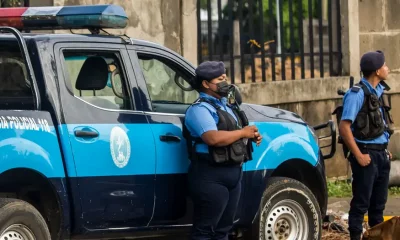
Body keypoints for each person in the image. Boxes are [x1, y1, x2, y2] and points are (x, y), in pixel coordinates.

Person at [183, 61, 262, 240]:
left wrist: (250, 135)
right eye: (220, 79)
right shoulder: (200, 109)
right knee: (205, 231)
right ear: (205, 84)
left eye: (225, 77)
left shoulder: (227, 105)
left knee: (223, 231)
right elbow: (213, 138)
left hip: (233, 174)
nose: (225, 82)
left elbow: (233, 132)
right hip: (210, 176)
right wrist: (243, 132)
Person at [339, 50, 394, 240]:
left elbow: (378, 126)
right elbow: (344, 127)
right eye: (385, 65)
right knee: (361, 204)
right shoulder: (356, 94)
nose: (387, 68)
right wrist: (359, 155)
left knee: (378, 206)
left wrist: (385, 151)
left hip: (380, 155)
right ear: (377, 71)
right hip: (365, 155)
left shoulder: (378, 92)